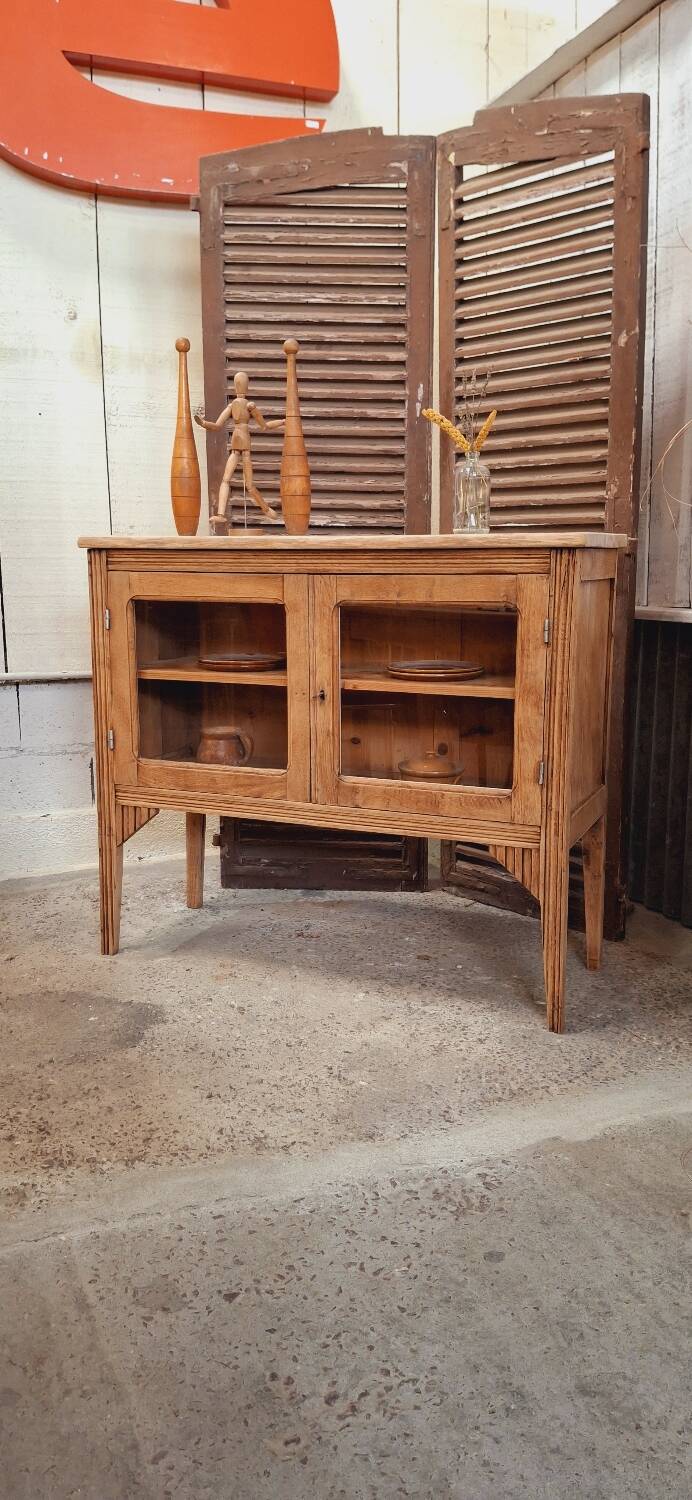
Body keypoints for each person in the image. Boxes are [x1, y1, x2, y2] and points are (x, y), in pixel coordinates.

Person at [195, 370, 283, 530]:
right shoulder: (234, 406)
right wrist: (203, 423)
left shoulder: (249, 406)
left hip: (243, 444)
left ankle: (265, 509)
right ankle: (221, 515)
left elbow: (264, 426)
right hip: (236, 444)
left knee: (247, 484)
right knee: (227, 480)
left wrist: (283, 421)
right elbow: (217, 425)